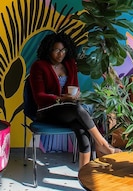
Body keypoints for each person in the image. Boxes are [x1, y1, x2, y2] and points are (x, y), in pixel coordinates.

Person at [29, 32, 120, 168]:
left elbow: (75, 87)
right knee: (77, 110)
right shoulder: (39, 66)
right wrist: (60, 99)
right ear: (49, 50)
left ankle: (83, 171)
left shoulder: (70, 64)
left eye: (63, 50)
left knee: (80, 127)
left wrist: (75, 95)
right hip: (47, 111)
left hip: (68, 109)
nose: (61, 54)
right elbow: (39, 96)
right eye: (57, 50)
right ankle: (102, 144)